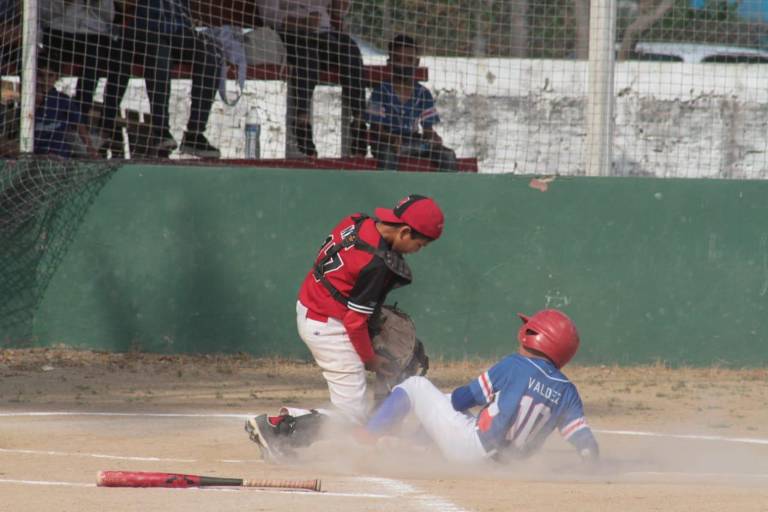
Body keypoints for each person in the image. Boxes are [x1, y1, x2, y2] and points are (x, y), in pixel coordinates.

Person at [245, 194, 445, 460]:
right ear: (405, 231)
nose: (417, 250)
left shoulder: (359, 221)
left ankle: (374, 429)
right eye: (418, 244)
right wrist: (369, 358)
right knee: (353, 416)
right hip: (329, 325)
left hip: (318, 304)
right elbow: (354, 321)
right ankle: (277, 430)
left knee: (403, 356)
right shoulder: (376, 263)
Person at [361, 309, 600, 465]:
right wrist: (592, 469)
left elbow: (462, 401)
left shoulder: (514, 365)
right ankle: (416, 450)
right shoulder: (567, 390)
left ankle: (366, 438)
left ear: (532, 336)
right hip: (507, 468)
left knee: (416, 386)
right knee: (448, 408)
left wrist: (449, 400)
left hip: (471, 451)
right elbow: (585, 443)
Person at [100, 0, 221, 159]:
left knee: (211, 54)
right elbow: (121, 7)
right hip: (143, 29)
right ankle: (160, 131)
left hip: (179, 31)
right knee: (160, 53)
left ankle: (194, 135)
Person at [257, 0, 367, 157]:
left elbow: (336, 13)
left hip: (323, 35)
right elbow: (268, 15)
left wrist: (340, 8)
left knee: (351, 50)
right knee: (308, 51)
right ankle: (302, 121)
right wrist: (301, 22)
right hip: (290, 35)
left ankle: (359, 123)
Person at [367, 35, 457, 172]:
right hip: (387, 142)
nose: (403, 65)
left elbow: (427, 130)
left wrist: (433, 138)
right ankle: (388, 192)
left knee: (447, 155)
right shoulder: (380, 92)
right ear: (389, 63)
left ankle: (446, 193)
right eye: (398, 60)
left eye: (409, 60)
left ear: (416, 62)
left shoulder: (423, 94)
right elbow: (375, 128)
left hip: (413, 142)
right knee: (387, 157)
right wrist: (392, 139)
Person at [39, 0, 119, 121]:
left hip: (93, 34)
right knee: (47, 62)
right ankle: (44, 110)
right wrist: (63, 3)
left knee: (94, 60)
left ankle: (80, 117)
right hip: (59, 31)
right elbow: (43, 14)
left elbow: (109, 17)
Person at [34, 52, 98, 158]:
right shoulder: (28, 100)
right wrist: (38, 101)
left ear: (57, 77)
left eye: (50, 75)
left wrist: (90, 147)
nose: (45, 80)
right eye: (41, 75)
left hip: (58, 154)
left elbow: (80, 125)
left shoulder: (63, 101)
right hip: (35, 154)